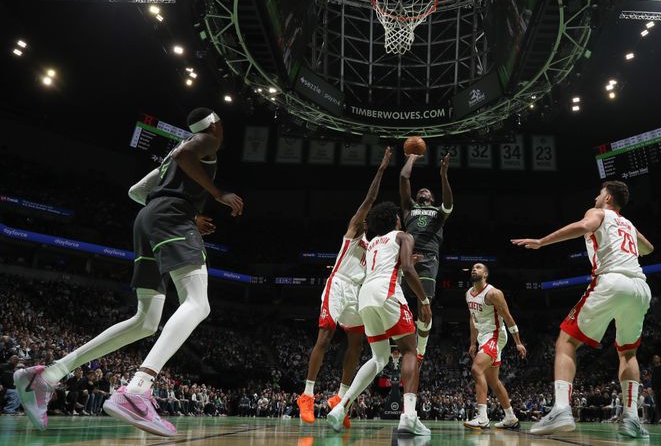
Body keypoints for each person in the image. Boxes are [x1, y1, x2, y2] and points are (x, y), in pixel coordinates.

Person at [15, 108, 243, 437]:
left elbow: (136, 191)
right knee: (198, 303)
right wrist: (216, 193)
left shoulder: (167, 161)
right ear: (216, 124)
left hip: (148, 220)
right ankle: (137, 390)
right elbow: (184, 153)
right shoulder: (206, 140)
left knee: (146, 320)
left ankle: (47, 376)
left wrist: (188, 214)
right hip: (170, 220)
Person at [512, 180, 654, 438]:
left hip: (612, 280)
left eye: (600, 193)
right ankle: (631, 418)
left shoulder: (597, 213)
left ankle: (562, 409)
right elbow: (648, 248)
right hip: (640, 287)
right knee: (628, 353)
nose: (596, 197)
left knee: (566, 341)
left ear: (608, 197)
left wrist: (542, 241)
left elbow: (583, 226)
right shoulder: (629, 224)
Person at [297, 147, 393, 427]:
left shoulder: (376, 246)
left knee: (356, 343)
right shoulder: (352, 232)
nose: (364, 219)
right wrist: (382, 168)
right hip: (338, 285)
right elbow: (371, 197)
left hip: (357, 293)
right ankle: (307, 395)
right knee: (325, 338)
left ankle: (340, 399)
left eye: (368, 220)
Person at [327, 202, 432, 436]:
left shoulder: (373, 242)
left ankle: (341, 407)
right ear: (396, 219)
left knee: (379, 357)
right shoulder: (404, 236)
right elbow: (405, 266)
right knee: (409, 351)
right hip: (387, 292)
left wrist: (405, 268)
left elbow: (390, 267)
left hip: (366, 295)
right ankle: (409, 416)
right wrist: (424, 301)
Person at [399, 152, 453, 367]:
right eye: (420, 190)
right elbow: (404, 179)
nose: (422, 191)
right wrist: (412, 157)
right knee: (397, 302)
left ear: (431, 198)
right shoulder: (409, 208)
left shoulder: (438, 212)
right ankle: (398, 344)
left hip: (428, 259)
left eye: (426, 191)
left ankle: (420, 351)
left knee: (425, 307)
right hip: (406, 258)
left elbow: (449, 202)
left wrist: (443, 175)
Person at [463, 263, 526, 430]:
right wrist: (472, 342)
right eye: (473, 268)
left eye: (478, 267)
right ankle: (511, 418)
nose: (474, 269)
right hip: (483, 337)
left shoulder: (493, 293)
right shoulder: (468, 294)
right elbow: (472, 318)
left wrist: (518, 342)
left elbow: (508, 316)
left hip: (496, 335)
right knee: (493, 380)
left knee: (476, 369)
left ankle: (482, 418)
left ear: (485, 274)